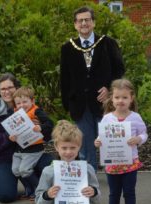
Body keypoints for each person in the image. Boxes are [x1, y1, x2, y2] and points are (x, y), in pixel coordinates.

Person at [60, 6, 125, 171]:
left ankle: (114, 177)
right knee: (85, 145)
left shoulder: (107, 43)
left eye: (87, 19)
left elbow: (119, 70)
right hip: (80, 104)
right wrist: (67, 104)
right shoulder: (68, 48)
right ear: (75, 24)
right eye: (80, 20)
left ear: (93, 22)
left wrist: (110, 90)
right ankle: (88, 179)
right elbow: (64, 78)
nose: (84, 23)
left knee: (108, 141)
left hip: (104, 103)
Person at [0, 73, 53, 203]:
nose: (7, 91)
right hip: (6, 158)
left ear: (16, 88)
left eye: (10, 87)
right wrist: (8, 137)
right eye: (3, 89)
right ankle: (1, 180)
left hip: (32, 152)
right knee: (5, 195)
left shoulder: (30, 107)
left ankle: (34, 189)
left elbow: (48, 134)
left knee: (53, 167)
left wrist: (40, 128)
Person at [35, 120, 100, 204]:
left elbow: (97, 199)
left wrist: (93, 191)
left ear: (79, 146)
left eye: (72, 147)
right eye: (64, 148)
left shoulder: (87, 169)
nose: (68, 152)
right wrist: (48, 195)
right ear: (56, 147)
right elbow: (39, 201)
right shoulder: (49, 171)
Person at [94, 79, 148, 204]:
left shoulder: (135, 117)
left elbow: (144, 134)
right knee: (113, 192)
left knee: (129, 191)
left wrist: (138, 139)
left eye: (124, 97)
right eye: (117, 97)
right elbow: (101, 137)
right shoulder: (107, 118)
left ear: (131, 98)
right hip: (112, 163)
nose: (120, 101)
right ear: (112, 98)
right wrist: (98, 141)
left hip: (130, 162)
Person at [10, 86, 54, 200]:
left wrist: (40, 127)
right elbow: (10, 130)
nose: (21, 105)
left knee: (25, 170)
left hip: (34, 149)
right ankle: (28, 189)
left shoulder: (36, 111)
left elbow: (49, 123)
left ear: (32, 101)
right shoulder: (15, 114)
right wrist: (11, 137)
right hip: (19, 149)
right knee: (15, 170)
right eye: (18, 103)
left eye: (25, 102)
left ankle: (38, 189)